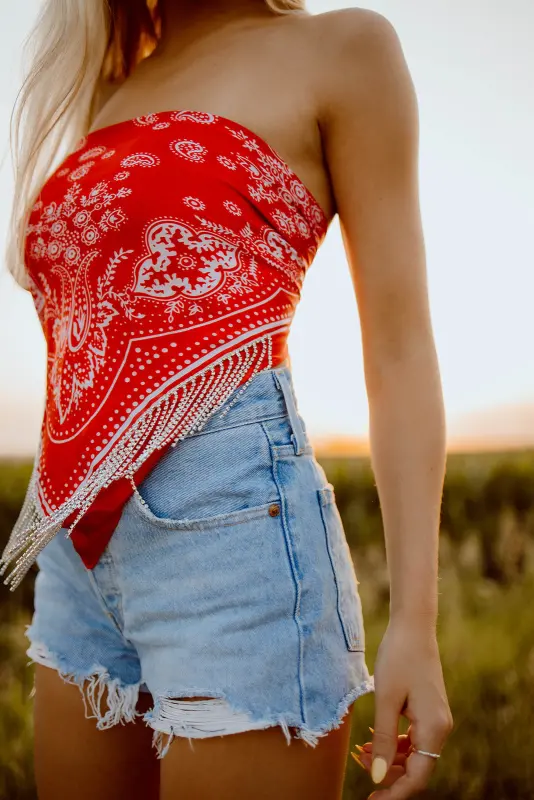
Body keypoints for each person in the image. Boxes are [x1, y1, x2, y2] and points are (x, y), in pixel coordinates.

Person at [1, 0, 453, 798]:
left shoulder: (342, 49)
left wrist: (416, 620)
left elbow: (400, 348)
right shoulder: (111, 78)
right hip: (79, 556)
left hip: (236, 551)